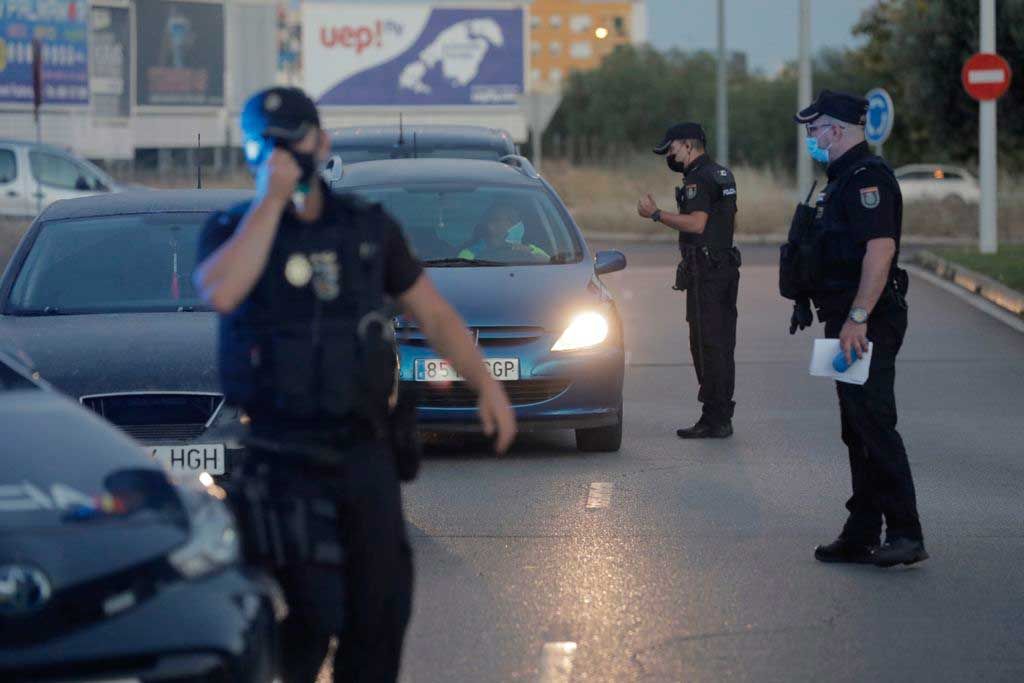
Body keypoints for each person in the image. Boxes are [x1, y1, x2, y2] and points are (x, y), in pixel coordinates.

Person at [193, 86, 517, 682]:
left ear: (323, 142)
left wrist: (486, 386)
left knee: (381, 612)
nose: (284, 155)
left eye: (294, 141)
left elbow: (435, 314)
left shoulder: (366, 228)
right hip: (280, 457)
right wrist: (270, 201)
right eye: (266, 146)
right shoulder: (232, 230)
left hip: (363, 450)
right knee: (315, 613)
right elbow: (221, 291)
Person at [790, 89, 927, 567]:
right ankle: (863, 529)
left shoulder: (868, 179)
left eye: (815, 128)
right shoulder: (838, 181)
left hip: (865, 321)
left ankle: (906, 532)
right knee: (855, 427)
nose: (811, 136)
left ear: (839, 129)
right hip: (842, 318)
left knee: (874, 422)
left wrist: (857, 318)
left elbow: (880, 250)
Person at [637, 122, 741, 439]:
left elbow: (696, 224)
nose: (669, 155)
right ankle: (719, 414)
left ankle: (715, 418)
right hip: (722, 266)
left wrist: (656, 214)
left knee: (707, 344)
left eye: (671, 149)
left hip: (708, 271)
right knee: (720, 343)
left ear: (687, 145)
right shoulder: (721, 174)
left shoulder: (698, 178)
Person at [459, 199, 549, 262]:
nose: (518, 224)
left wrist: (528, 253)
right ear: (491, 225)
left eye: (517, 220)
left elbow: (550, 262)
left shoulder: (530, 248)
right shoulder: (470, 254)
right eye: (511, 220)